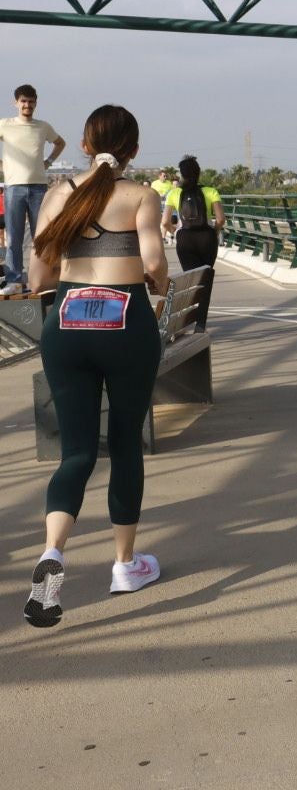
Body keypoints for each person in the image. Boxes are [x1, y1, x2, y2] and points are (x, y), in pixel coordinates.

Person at [23, 105, 168, 628]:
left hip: (65, 326)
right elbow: (152, 264)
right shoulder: (141, 196)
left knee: (77, 452)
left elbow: (38, 273)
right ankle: (126, 566)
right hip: (125, 324)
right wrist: (161, 286)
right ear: (133, 148)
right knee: (125, 444)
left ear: (84, 145)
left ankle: (53, 553)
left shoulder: (58, 195)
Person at [1, 84, 67, 294]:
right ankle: (15, 279)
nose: (27, 105)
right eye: (23, 101)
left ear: (35, 103)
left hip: (39, 187)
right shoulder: (5, 124)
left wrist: (48, 161)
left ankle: (46, 277)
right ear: (16, 103)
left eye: (30, 101)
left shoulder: (43, 126)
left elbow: (60, 143)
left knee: (44, 237)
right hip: (14, 188)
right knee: (14, 237)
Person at [160, 155, 225, 329]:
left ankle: (183, 320)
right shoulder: (211, 191)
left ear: (181, 174)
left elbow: (165, 222)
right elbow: (220, 219)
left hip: (185, 239)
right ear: (198, 173)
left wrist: (177, 232)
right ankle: (200, 324)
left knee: (191, 280)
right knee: (205, 280)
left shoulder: (174, 193)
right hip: (207, 239)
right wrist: (214, 231)